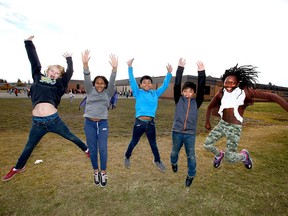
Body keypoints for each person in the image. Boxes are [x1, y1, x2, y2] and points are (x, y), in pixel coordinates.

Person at [2, 36, 89, 182]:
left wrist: (69, 59)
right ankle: (18, 167)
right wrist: (28, 43)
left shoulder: (59, 84)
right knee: (29, 146)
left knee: (71, 137)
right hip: (37, 123)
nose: (54, 74)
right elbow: (34, 61)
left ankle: (87, 150)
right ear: (47, 71)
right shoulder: (38, 78)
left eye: (57, 73)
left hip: (53, 120)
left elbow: (70, 72)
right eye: (52, 71)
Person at [204, 64, 288, 169]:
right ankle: (219, 155)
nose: (229, 85)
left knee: (230, 159)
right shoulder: (221, 93)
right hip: (222, 124)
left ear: (237, 83)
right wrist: (207, 122)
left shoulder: (246, 92)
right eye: (226, 82)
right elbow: (210, 107)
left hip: (234, 128)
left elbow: (272, 96)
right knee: (207, 145)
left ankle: (244, 156)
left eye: (232, 82)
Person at [124, 58, 173, 172]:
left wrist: (169, 74)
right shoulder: (138, 92)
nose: (147, 84)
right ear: (140, 85)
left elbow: (165, 85)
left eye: (149, 82)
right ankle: (127, 156)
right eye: (144, 82)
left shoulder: (155, 93)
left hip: (151, 124)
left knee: (153, 144)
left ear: (151, 84)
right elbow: (131, 81)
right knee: (134, 142)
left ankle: (157, 160)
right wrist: (130, 67)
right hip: (139, 124)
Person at [81, 50, 118, 187]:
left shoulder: (108, 93)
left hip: (103, 123)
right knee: (92, 148)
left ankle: (103, 172)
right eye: (97, 83)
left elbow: (113, 80)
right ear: (94, 84)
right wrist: (85, 64)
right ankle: (95, 171)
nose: (100, 85)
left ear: (105, 85)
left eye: (102, 83)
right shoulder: (90, 90)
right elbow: (86, 78)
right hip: (89, 123)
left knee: (102, 148)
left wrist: (114, 69)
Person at [170, 58, 206, 187]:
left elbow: (202, 87)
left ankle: (191, 175)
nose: (187, 93)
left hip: (190, 134)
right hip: (177, 131)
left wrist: (201, 73)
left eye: (190, 91)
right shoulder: (178, 100)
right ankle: (173, 163)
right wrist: (180, 69)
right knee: (174, 152)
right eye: (185, 91)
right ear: (182, 92)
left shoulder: (197, 102)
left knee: (191, 155)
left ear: (194, 93)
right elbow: (176, 84)